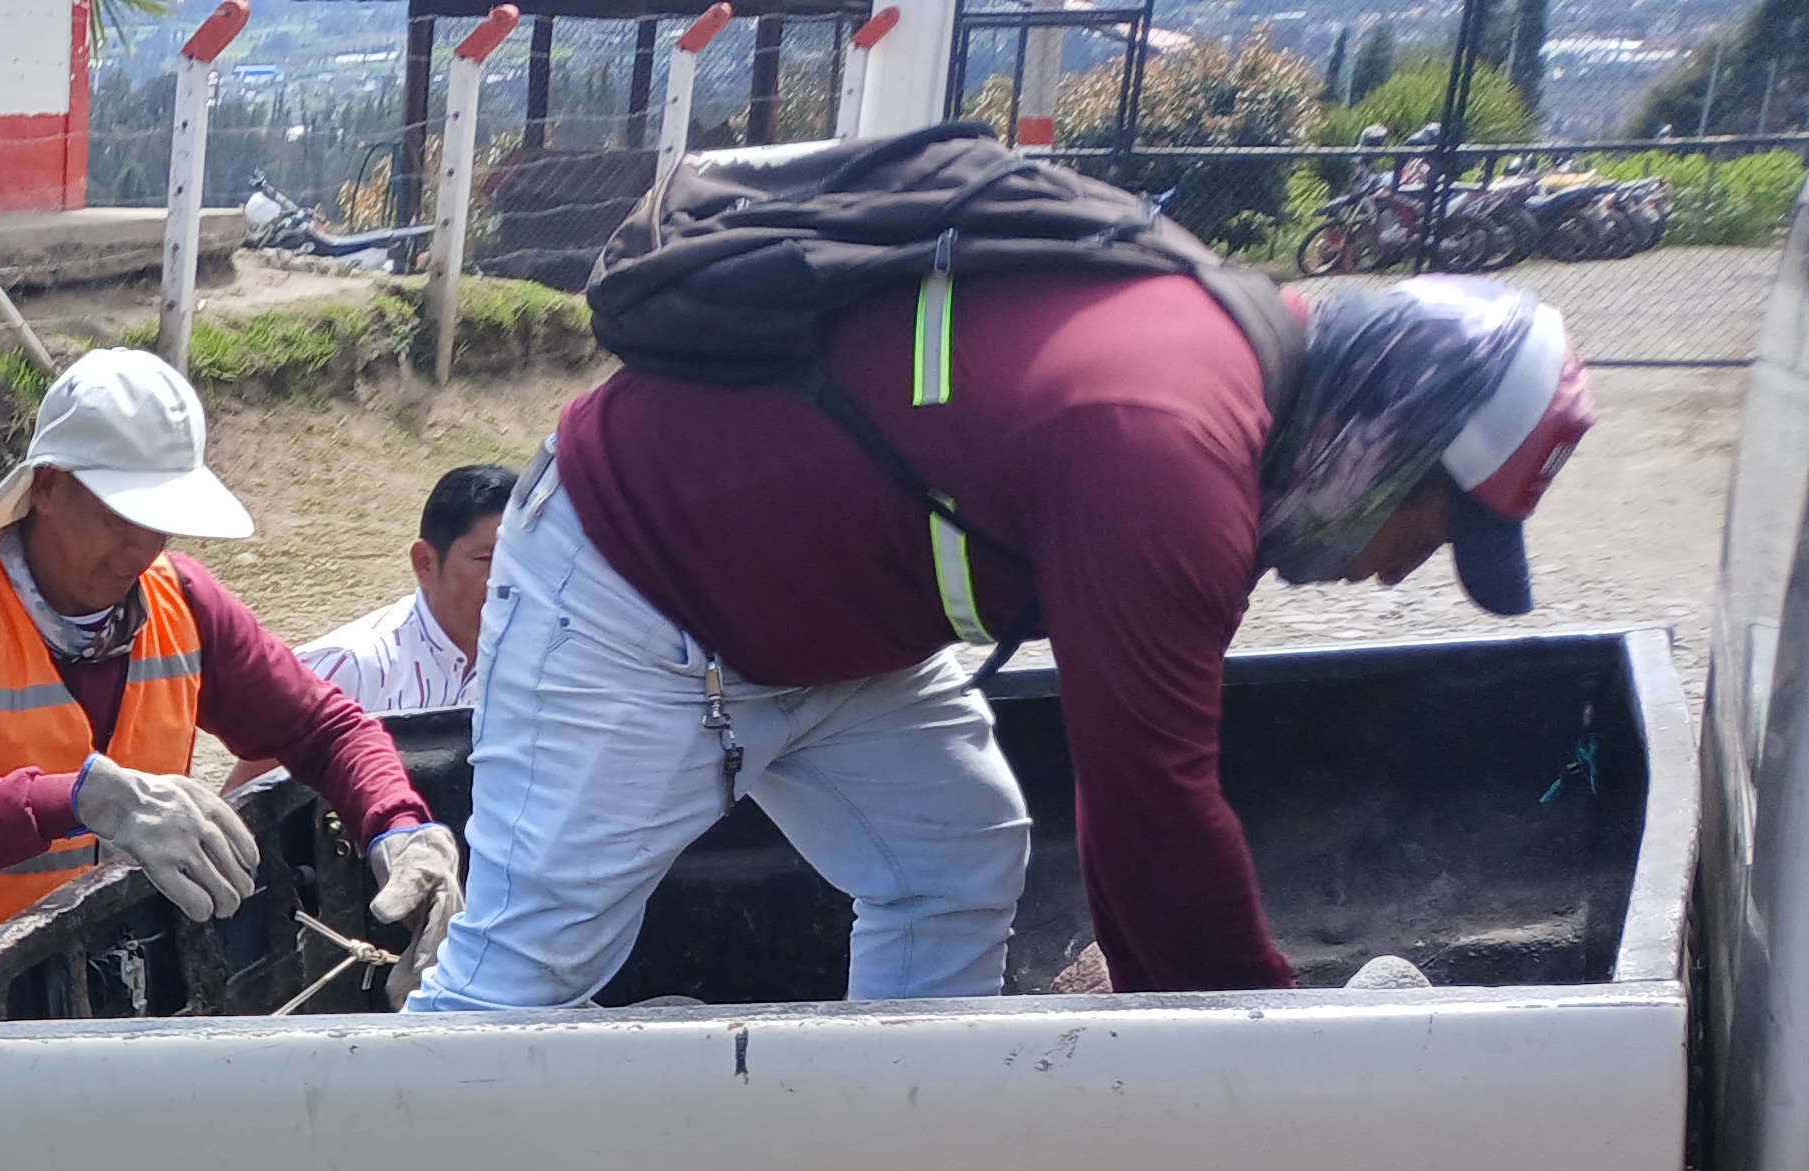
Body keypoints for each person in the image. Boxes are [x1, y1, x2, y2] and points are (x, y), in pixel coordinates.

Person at [409, 273, 1594, 1012]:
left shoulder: (1242, 399)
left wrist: (1210, 1026)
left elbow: (1143, 826)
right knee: (520, 979)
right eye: (1432, 531)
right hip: (634, 573)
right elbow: (1151, 816)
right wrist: (1272, 1058)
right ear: (1386, 445)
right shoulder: (1174, 457)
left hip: (821, 615)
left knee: (954, 853)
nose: (1401, 570)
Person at [0, 347, 459, 1021]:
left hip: (103, 1003)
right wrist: (83, 798)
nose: (140, 548)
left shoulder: (182, 602)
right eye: (117, 516)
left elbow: (325, 728)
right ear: (46, 486)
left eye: (160, 520)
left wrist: (399, 827)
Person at [301, 460, 518, 717]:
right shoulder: (351, 667)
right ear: (425, 563)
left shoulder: (531, 666)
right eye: (486, 559)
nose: (508, 581)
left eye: (520, 561)